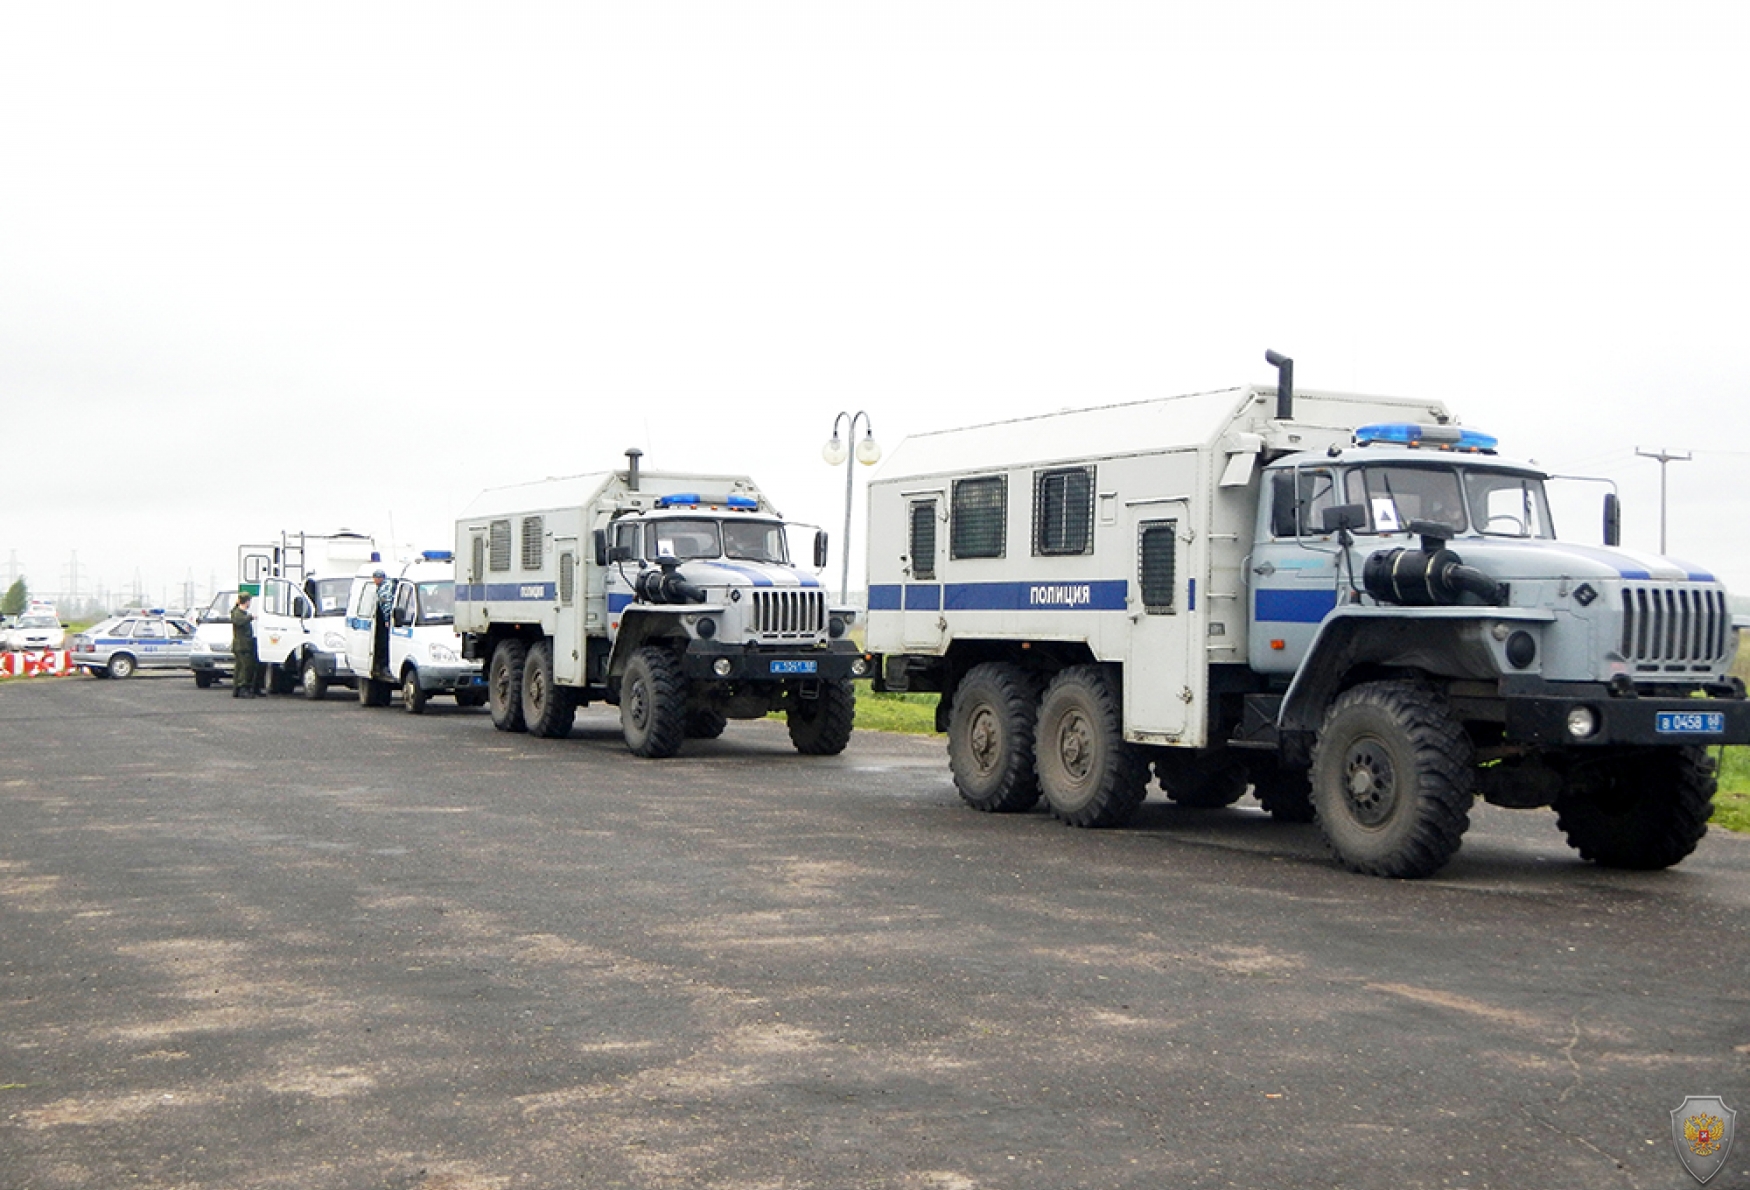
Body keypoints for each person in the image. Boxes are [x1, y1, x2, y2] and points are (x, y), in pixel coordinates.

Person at [230, 591, 260, 698]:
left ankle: (237, 689)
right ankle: (242, 688)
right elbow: (239, 621)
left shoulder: (240, 613)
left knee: (240, 668)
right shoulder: (238, 613)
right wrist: (251, 617)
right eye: (249, 601)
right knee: (244, 668)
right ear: (246, 602)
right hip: (242, 645)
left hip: (243, 645)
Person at [370, 569, 393, 680]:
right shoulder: (385, 585)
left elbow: (386, 604)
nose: (374, 580)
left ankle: (383, 666)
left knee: (384, 643)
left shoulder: (384, 588)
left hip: (385, 622)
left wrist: (387, 619)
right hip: (382, 621)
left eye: (375, 578)